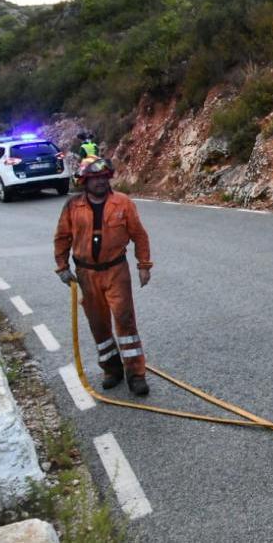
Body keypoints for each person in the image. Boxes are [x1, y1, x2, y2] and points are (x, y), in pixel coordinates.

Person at [53, 157, 154, 395]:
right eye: (94, 178)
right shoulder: (72, 206)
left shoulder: (123, 203)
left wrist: (144, 265)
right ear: (84, 181)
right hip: (86, 274)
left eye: (103, 177)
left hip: (116, 271)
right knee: (98, 325)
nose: (99, 182)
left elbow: (139, 235)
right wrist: (62, 267)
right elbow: (61, 237)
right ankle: (112, 369)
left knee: (125, 321)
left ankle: (136, 374)